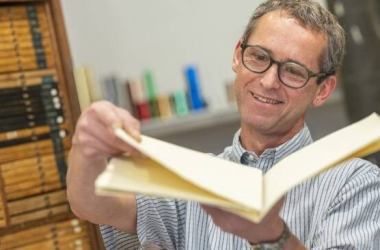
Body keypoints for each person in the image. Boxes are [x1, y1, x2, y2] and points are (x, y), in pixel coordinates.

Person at [67, 0, 380, 249]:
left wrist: (275, 237)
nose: (269, 81)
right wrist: (85, 146)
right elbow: (93, 204)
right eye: (259, 57)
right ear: (237, 55)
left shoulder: (357, 184)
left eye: (294, 72)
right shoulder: (190, 180)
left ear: (322, 90)